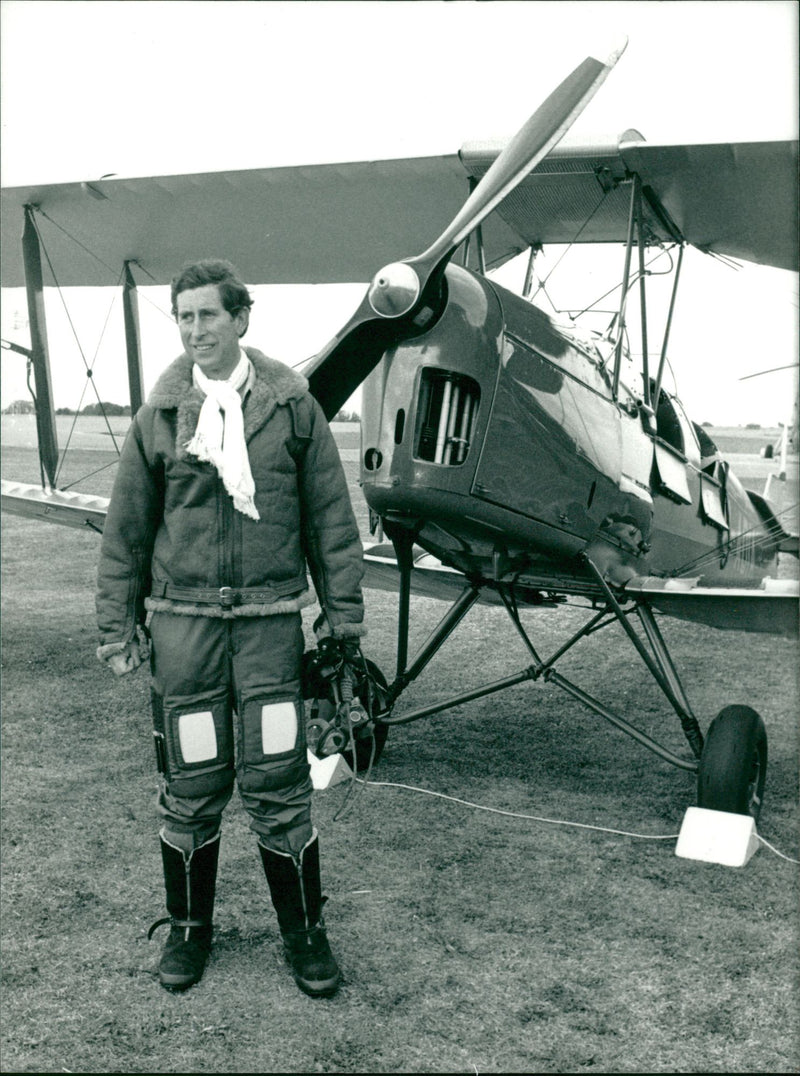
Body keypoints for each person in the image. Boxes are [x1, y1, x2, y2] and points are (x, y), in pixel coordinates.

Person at [96, 259, 366, 997]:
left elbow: (332, 525)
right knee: (190, 783)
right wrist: (116, 625)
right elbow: (125, 531)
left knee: (279, 783)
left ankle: (305, 935)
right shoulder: (160, 413)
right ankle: (189, 935)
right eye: (183, 318)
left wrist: (341, 621)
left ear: (240, 319)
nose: (194, 330)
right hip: (183, 631)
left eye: (207, 316)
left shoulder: (292, 407)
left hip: (269, 627)